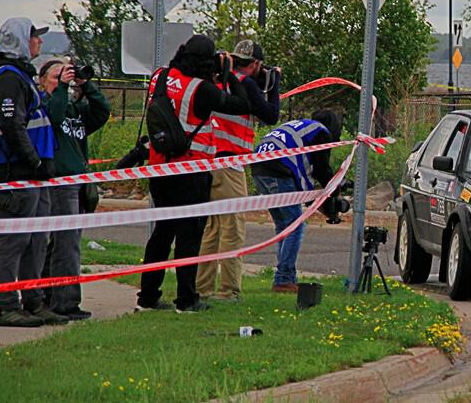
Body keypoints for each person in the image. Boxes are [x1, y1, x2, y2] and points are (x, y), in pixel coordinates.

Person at [136, 35, 252, 314]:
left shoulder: (159, 78)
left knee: (162, 233)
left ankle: (148, 297)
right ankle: (186, 300)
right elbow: (242, 104)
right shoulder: (201, 89)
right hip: (191, 169)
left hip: (159, 167)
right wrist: (228, 74)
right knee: (189, 236)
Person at [0, 18, 66, 327]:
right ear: (20, 39)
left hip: (33, 173)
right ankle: (6, 306)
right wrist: (34, 161)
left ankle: (33, 301)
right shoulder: (7, 78)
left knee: (35, 240)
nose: (39, 43)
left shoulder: (22, 75)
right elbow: (11, 127)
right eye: (35, 38)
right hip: (13, 172)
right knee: (13, 240)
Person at [196, 40, 281, 301]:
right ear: (256, 64)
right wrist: (274, 85)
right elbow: (271, 115)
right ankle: (229, 289)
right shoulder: (246, 85)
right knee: (232, 228)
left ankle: (203, 288)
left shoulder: (217, 81)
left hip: (208, 161)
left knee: (212, 229)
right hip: (230, 163)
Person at [37, 57, 111, 320]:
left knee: (60, 244)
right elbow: (53, 118)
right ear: (42, 80)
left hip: (77, 183)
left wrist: (85, 84)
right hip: (59, 183)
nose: (63, 82)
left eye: (65, 76)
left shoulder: (74, 109)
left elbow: (102, 112)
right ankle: (65, 302)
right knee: (67, 246)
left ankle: (48, 295)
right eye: (56, 77)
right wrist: (60, 89)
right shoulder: (42, 105)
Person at [251, 109, 342, 293]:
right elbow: (320, 171)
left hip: (259, 169)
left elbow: (306, 169)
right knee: (295, 226)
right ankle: (283, 279)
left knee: (284, 226)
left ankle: (287, 278)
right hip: (279, 171)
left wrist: (316, 199)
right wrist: (333, 191)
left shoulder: (303, 126)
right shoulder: (321, 132)